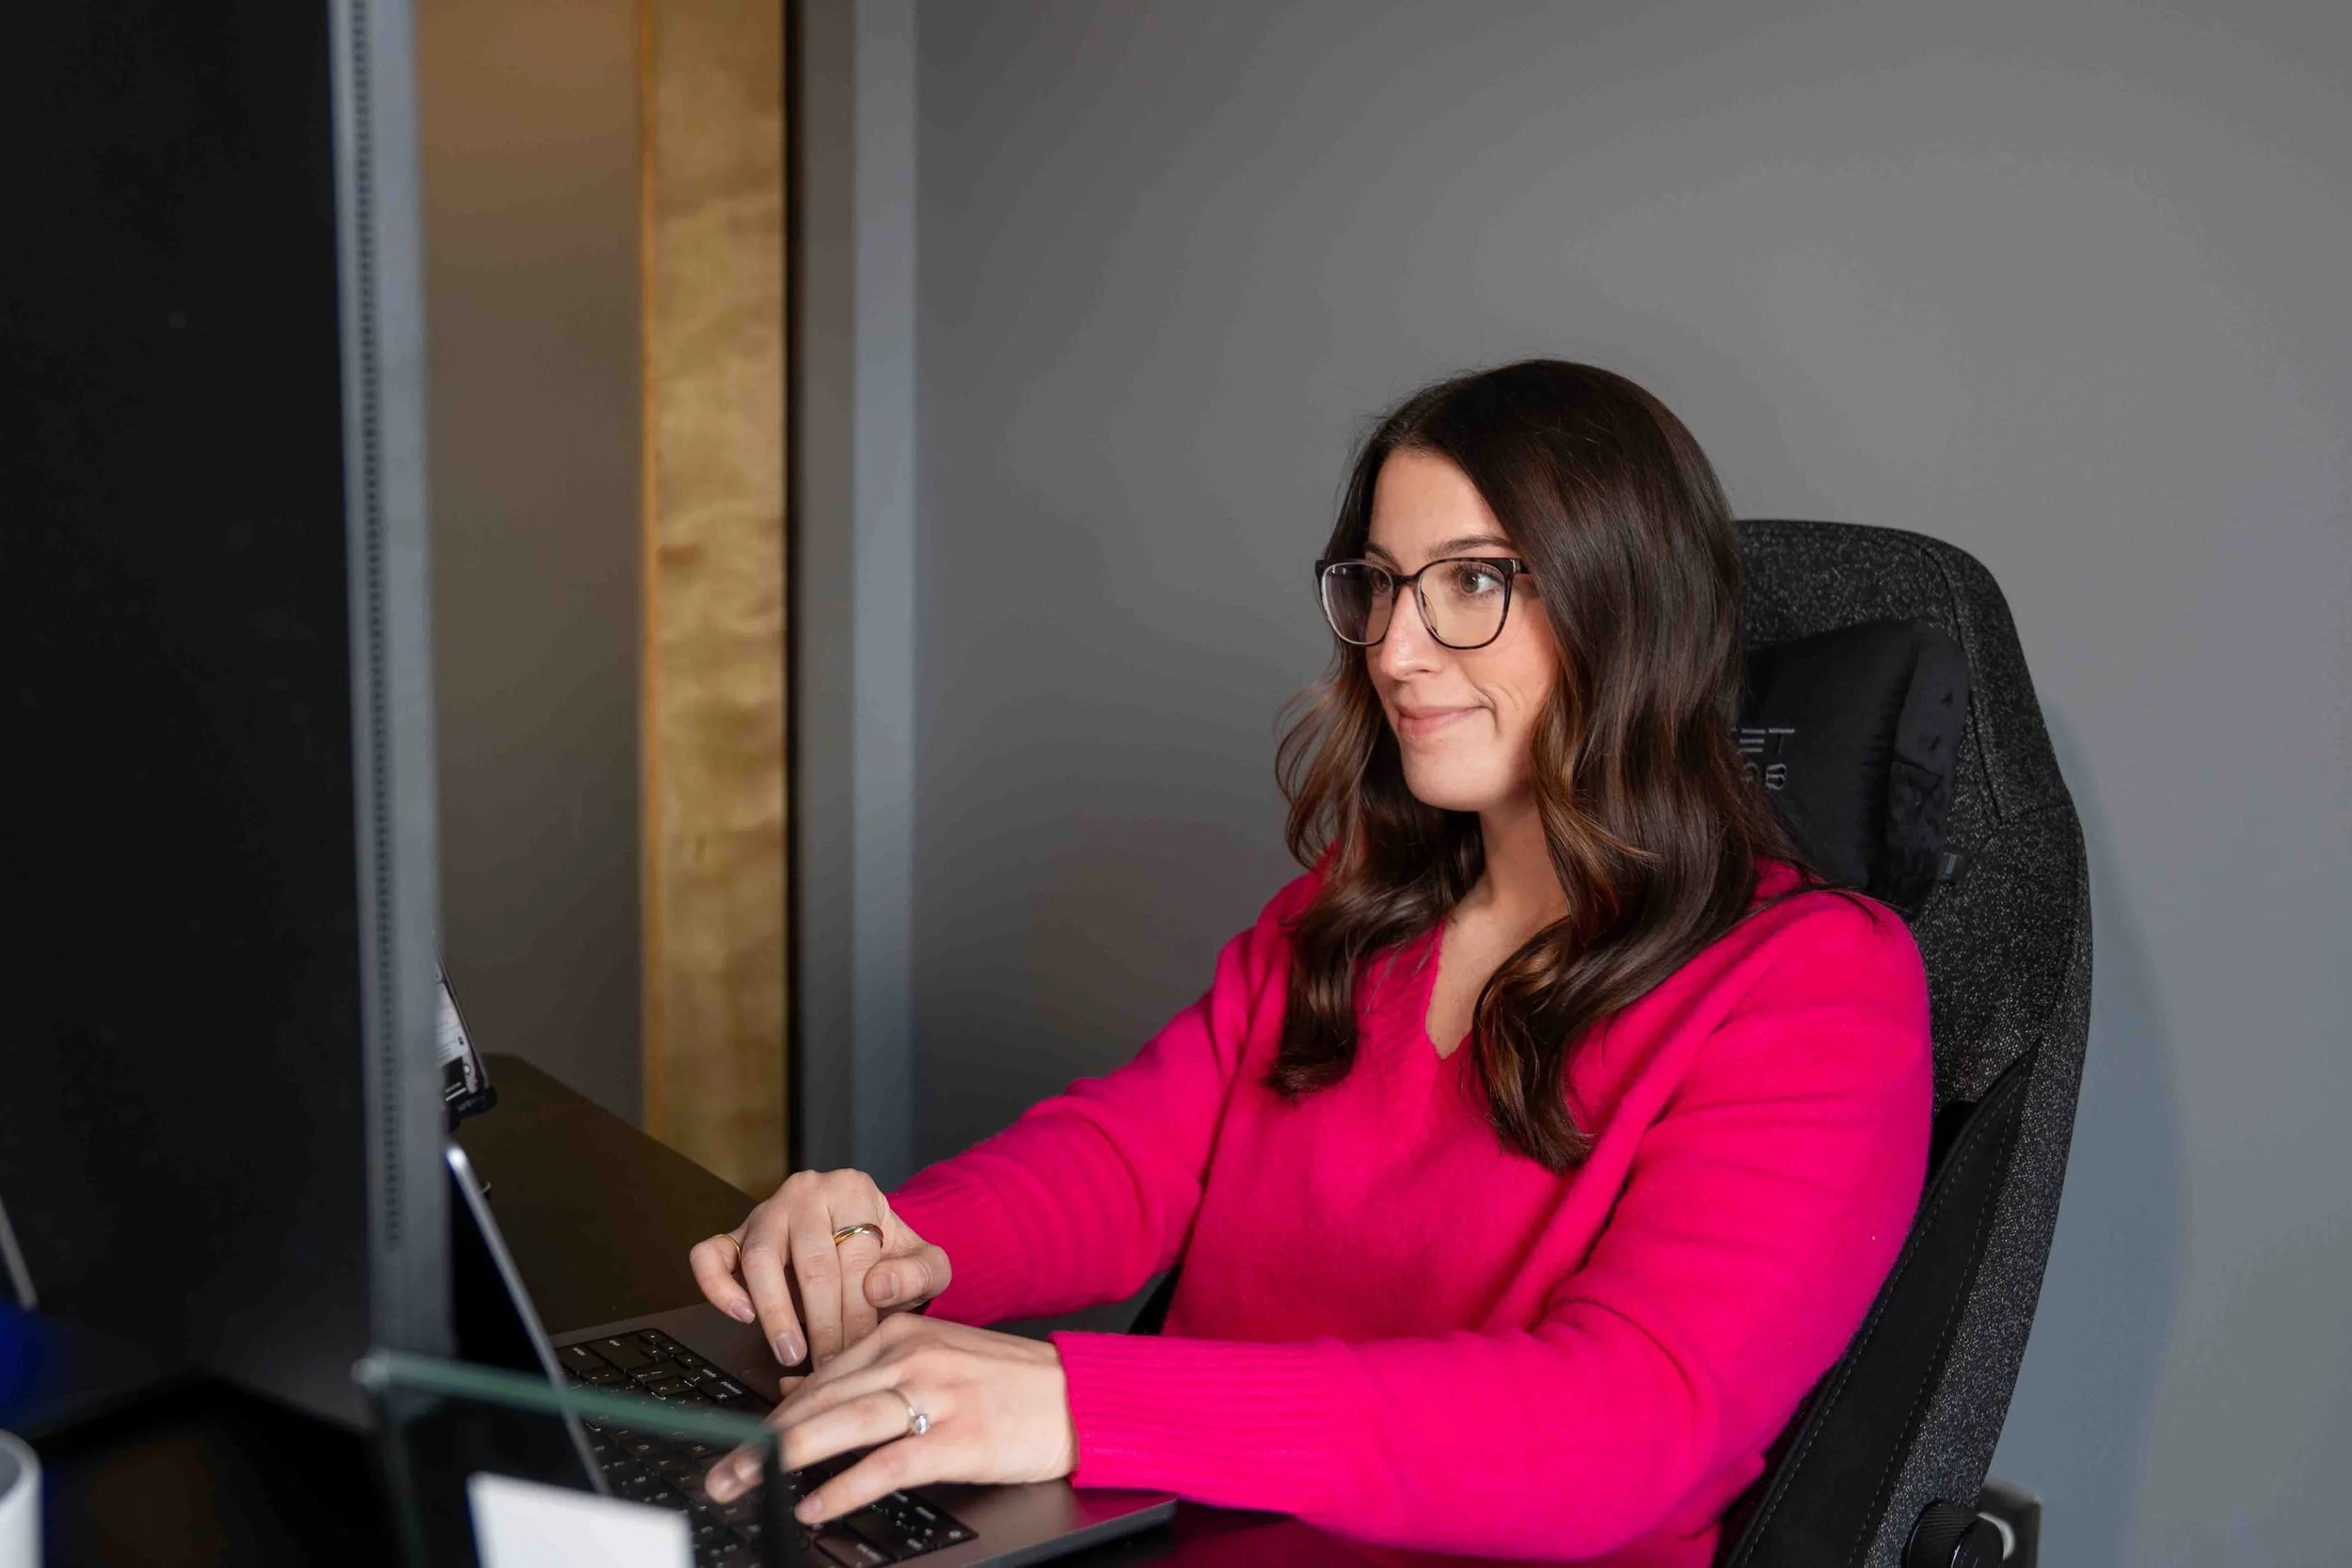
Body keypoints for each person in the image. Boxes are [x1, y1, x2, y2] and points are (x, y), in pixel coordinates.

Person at [690, 360, 1932, 1564]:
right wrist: (899, 1240)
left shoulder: (1817, 986)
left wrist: (1083, 1399)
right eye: (1381, 585)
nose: (1397, 650)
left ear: (1633, 605)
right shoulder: (1345, 918)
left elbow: (1631, 1421)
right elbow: (1131, 1164)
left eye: (1475, 581)